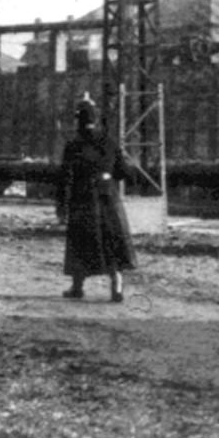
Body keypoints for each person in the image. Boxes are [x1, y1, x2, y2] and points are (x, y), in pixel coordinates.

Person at [57, 95, 136, 302]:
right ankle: (117, 287)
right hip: (107, 198)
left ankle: (77, 287)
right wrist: (108, 175)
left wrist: (61, 207)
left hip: (82, 198)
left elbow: (64, 178)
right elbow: (124, 173)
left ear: (78, 120)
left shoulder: (73, 146)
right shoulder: (109, 143)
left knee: (80, 242)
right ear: (96, 118)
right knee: (110, 241)